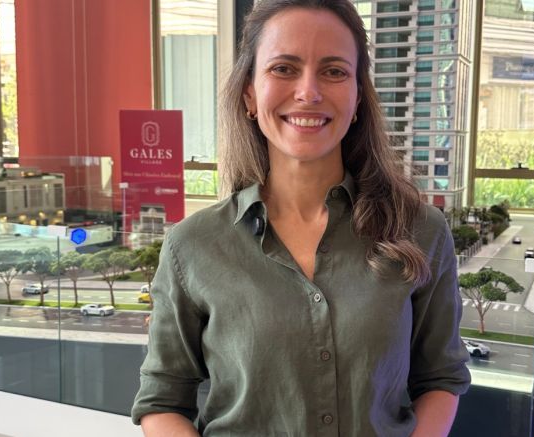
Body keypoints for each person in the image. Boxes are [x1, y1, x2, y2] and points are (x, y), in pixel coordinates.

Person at [131, 1, 470, 436]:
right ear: (250, 94)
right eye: (283, 69)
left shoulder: (421, 230)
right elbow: (161, 401)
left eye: (333, 71)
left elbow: (441, 378)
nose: (308, 92)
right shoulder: (193, 244)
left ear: (358, 96)